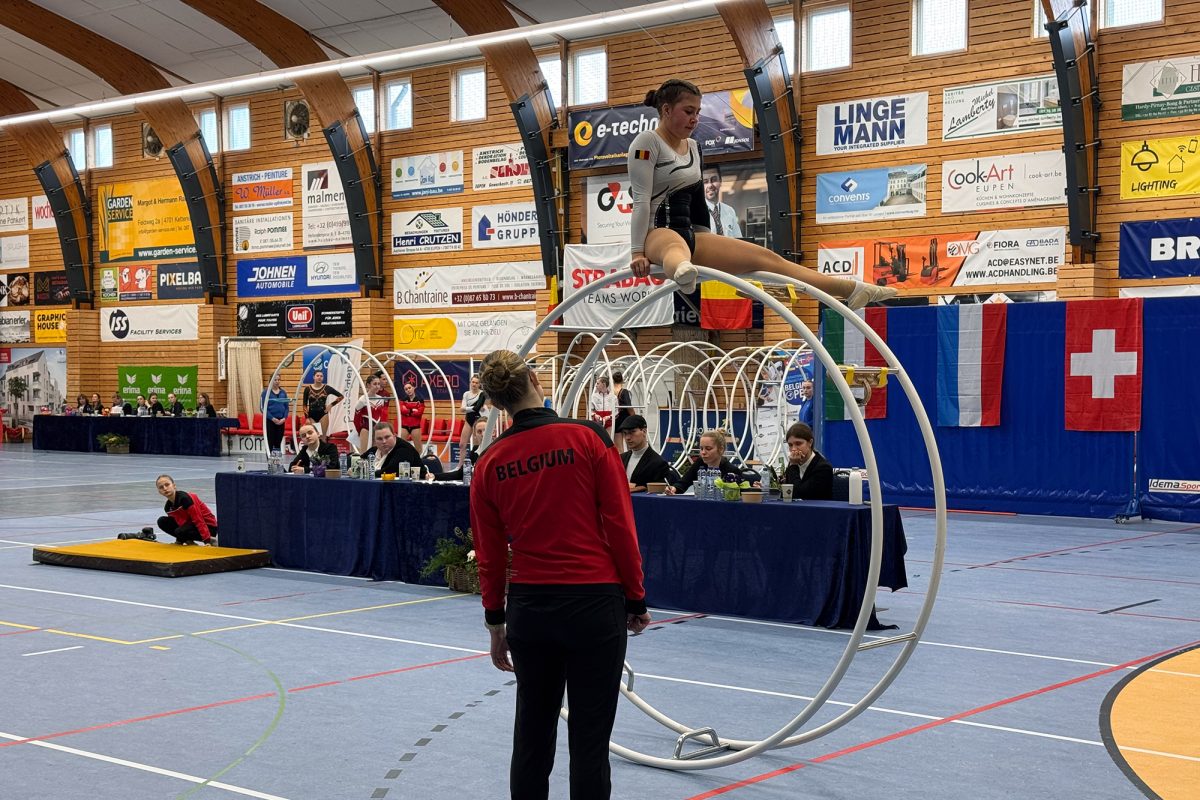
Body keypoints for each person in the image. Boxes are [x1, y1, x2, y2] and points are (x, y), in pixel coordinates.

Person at [469, 349, 649, 800]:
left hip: (532, 609)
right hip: (593, 604)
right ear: (534, 378)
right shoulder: (588, 437)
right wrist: (636, 597)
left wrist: (496, 622)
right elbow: (620, 524)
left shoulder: (490, 461)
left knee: (531, 735)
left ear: (494, 402)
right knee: (590, 742)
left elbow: (490, 556)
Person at [627, 78, 896, 310]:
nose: (695, 119)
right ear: (665, 109)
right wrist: (637, 252)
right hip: (656, 233)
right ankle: (682, 272)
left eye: (697, 112)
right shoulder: (647, 142)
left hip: (691, 234)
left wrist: (709, 240)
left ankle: (848, 289)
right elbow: (640, 200)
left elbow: (697, 201)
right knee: (676, 248)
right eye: (688, 111)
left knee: (768, 259)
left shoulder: (695, 147)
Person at [665, 428, 747, 495]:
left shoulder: (732, 472)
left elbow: (743, 494)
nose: (703, 452)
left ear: (721, 449)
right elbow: (683, 482)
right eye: (701, 448)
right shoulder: (699, 464)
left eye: (708, 449)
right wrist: (673, 489)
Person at [155, 474, 218, 546]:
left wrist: (207, 541)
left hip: (208, 527)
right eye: (161, 487)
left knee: (180, 531)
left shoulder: (186, 499)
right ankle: (188, 541)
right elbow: (180, 523)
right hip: (191, 526)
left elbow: (198, 520)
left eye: (167, 485)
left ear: (174, 486)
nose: (165, 488)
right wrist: (179, 540)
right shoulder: (168, 507)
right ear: (159, 491)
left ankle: (211, 539)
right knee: (162, 521)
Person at [617, 415, 673, 491]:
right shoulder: (620, 458)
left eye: (632, 432)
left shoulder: (658, 463)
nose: (627, 437)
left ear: (644, 432)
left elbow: (660, 490)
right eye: (625, 433)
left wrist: (638, 488)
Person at [781, 422, 833, 500]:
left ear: (810, 443)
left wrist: (794, 466)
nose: (793, 449)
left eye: (798, 444)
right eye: (790, 445)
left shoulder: (823, 468)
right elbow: (786, 495)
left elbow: (799, 495)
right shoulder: (792, 464)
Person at [433, 417, 487, 481]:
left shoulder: (498, 451)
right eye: (479, 431)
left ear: (493, 432)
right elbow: (460, 474)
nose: (483, 434)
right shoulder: (475, 451)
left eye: (485, 431)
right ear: (475, 435)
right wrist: (434, 476)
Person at [701, 164, 742, 238]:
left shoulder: (730, 211)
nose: (710, 185)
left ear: (720, 181)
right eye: (705, 182)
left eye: (714, 180)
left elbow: (739, 239)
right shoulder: (696, 212)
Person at [353, 374, 391, 451]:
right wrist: (359, 431)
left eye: (378, 384)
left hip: (377, 429)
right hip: (366, 429)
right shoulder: (362, 400)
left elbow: (382, 417)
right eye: (374, 384)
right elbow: (356, 419)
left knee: (377, 453)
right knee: (364, 454)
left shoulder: (381, 399)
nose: (377, 386)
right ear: (368, 385)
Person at [302, 370, 343, 434]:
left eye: (321, 376)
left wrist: (331, 405)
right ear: (314, 377)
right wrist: (306, 418)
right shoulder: (307, 389)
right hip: (312, 416)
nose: (319, 377)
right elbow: (304, 405)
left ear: (323, 378)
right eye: (317, 376)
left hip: (323, 415)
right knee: (315, 436)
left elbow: (341, 396)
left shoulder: (327, 388)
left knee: (323, 437)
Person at [261, 374, 289, 454]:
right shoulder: (265, 393)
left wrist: (284, 418)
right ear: (271, 381)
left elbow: (286, 407)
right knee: (270, 443)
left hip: (281, 421)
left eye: (278, 380)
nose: (277, 382)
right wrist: (272, 418)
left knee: (278, 443)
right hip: (270, 421)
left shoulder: (283, 392)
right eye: (275, 380)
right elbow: (262, 408)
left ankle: (277, 464)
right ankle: (270, 464)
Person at [458, 374, 483, 459]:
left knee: (477, 446)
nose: (474, 384)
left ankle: (476, 464)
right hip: (469, 419)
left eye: (476, 383)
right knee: (462, 444)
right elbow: (462, 409)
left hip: (478, 420)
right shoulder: (466, 394)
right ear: (470, 383)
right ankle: (460, 466)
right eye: (473, 382)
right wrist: (473, 408)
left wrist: (466, 408)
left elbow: (477, 409)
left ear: (479, 384)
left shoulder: (482, 394)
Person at [399, 382, 426, 453]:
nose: (408, 390)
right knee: (401, 446)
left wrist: (407, 410)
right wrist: (413, 410)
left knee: (418, 448)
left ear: (413, 388)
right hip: (404, 426)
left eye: (409, 388)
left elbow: (419, 413)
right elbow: (402, 411)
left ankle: (419, 463)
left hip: (415, 427)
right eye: (406, 389)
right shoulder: (403, 400)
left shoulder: (420, 400)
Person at [611, 371, 634, 452]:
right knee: (630, 446)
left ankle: (620, 463)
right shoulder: (624, 392)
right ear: (622, 380)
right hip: (625, 419)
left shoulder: (610, 392)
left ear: (613, 380)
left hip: (616, 420)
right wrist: (634, 417)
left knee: (619, 449)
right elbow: (629, 407)